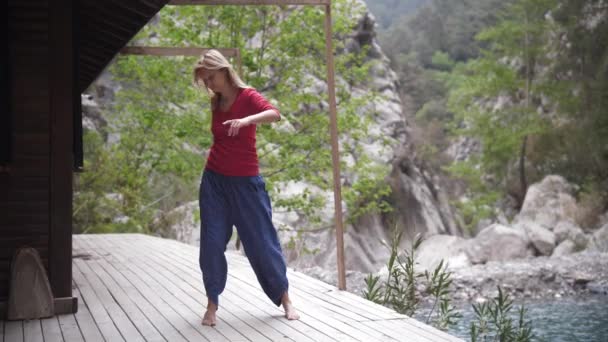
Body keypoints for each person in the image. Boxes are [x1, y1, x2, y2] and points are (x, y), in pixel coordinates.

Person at [193, 49, 300, 326]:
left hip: (246, 183)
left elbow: (274, 114)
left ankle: (285, 299)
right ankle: (212, 305)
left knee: (262, 244)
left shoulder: (248, 97)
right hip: (215, 182)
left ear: (225, 72)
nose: (209, 85)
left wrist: (246, 121)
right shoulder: (215, 103)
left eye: (211, 78)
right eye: (205, 81)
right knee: (212, 243)